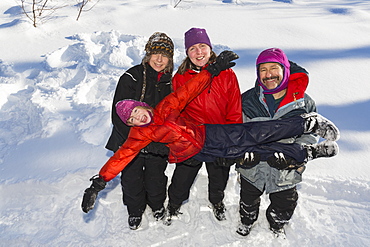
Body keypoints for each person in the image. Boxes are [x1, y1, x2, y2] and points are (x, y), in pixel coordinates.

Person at [81, 51, 340, 224]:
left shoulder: (165, 107)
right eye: (132, 120)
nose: (138, 119)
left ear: (142, 106)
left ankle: (306, 123)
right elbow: (121, 157)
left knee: (256, 133)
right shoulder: (140, 135)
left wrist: (212, 69)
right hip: (197, 152)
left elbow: (190, 89)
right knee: (261, 152)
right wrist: (98, 183)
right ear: (130, 124)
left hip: (210, 133)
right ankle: (309, 152)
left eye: (137, 112)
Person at [236, 48, 329, 237]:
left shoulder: (303, 102)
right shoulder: (247, 100)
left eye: (273, 68)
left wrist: (294, 153)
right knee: (248, 198)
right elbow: (237, 131)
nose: (268, 75)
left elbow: (311, 134)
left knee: (285, 202)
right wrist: (242, 154)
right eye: (263, 69)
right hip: (252, 168)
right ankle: (247, 220)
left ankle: (277, 223)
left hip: (286, 168)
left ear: (285, 69)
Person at [166, 27, 243, 224]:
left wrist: (232, 142)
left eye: (202, 46)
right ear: (187, 53)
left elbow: (234, 109)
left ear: (210, 48)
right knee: (181, 179)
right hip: (193, 138)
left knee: (219, 178)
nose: (199, 52)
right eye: (193, 48)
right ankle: (173, 205)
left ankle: (216, 202)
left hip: (219, 137)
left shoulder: (227, 74)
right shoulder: (180, 78)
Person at [104, 32, 174, 230]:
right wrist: (136, 141)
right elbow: (119, 115)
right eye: (155, 54)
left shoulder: (170, 82)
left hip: (157, 144)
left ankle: (157, 205)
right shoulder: (132, 76)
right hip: (129, 141)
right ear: (147, 55)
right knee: (131, 178)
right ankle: (135, 211)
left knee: (156, 178)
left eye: (165, 55)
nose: (159, 60)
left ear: (170, 59)